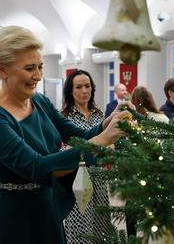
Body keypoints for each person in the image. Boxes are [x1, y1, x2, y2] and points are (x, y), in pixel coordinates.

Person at [0, 25, 133, 244]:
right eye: (29, 68)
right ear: (3, 70)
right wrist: (102, 140)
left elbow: (78, 135)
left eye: (41, 67)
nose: (38, 76)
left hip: (48, 209)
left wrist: (107, 123)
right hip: (16, 217)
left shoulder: (40, 102)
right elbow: (37, 167)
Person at [61, 69, 109, 243]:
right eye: (78, 87)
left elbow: (106, 142)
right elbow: (63, 149)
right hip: (78, 177)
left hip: (100, 175)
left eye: (87, 86)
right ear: (70, 91)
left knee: (101, 224)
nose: (84, 91)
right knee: (80, 225)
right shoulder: (64, 117)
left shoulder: (99, 114)